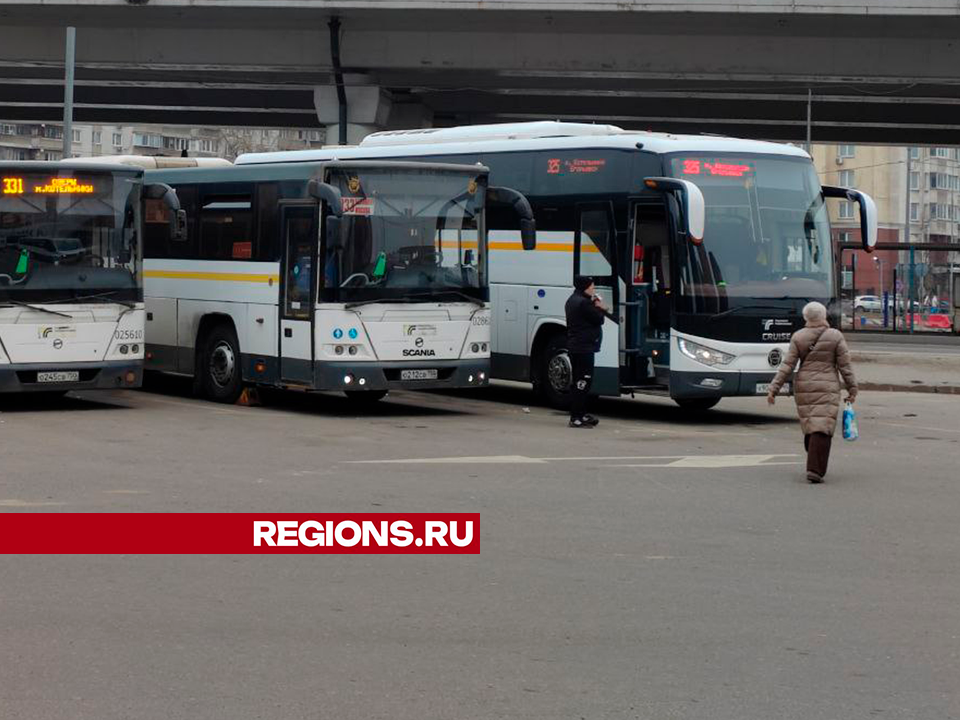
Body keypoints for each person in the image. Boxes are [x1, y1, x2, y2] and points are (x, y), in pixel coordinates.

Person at [767, 301, 858, 483]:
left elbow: (788, 365)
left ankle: (813, 453)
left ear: (805, 317)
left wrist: (773, 389)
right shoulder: (835, 336)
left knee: (812, 422)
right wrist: (852, 388)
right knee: (822, 427)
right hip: (828, 385)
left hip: (805, 386)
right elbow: (845, 366)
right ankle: (815, 470)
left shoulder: (798, 337)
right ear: (824, 316)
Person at [565, 275, 610, 428]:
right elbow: (598, 319)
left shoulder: (572, 299)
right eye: (592, 286)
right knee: (582, 383)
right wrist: (600, 307)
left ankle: (581, 414)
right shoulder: (584, 303)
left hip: (576, 346)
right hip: (584, 348)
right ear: (585, 287)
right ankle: (576, 417)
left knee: (579, 381)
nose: (593, 289)